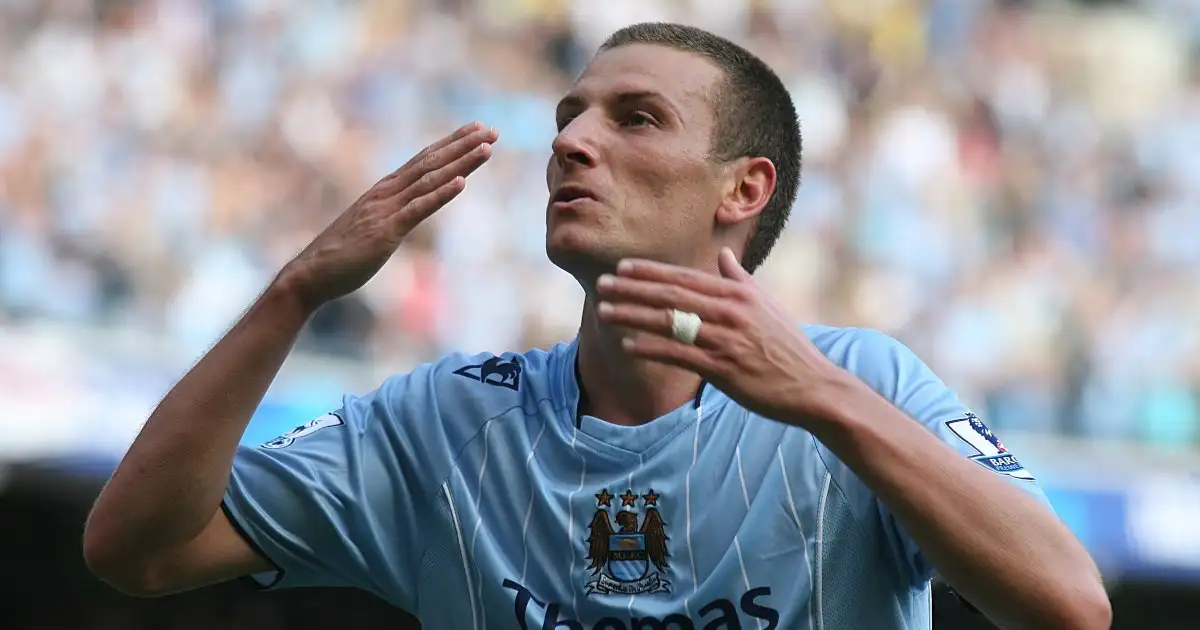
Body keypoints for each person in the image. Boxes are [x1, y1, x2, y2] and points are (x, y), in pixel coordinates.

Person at [83, 22, 1110, 630]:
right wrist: (296, 293)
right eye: (571, 114)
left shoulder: (858, 382)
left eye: (635, 118)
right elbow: (136, 550)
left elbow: (1070, 606)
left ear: (743, 189)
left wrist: (828, 403)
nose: (571, 141)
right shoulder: (443, 423)